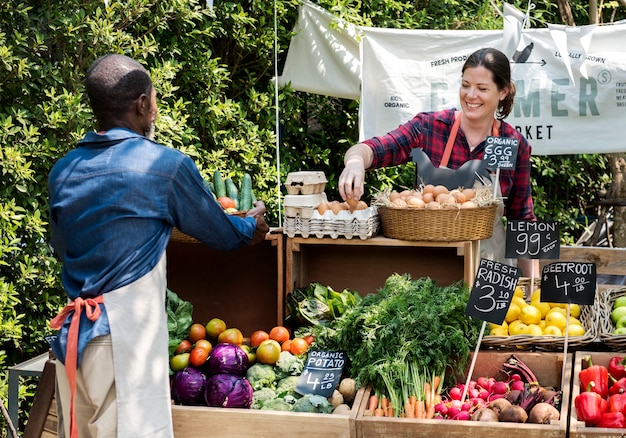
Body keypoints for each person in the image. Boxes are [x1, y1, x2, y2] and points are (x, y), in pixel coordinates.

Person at [47, 53, 270, 438]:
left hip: (74, 345)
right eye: (154, 101)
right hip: (123, 348)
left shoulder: (63, 170)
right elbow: (222, 233)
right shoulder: (163, 167)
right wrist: (252, 224)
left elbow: (62, 249)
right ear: (142, 103)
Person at [338, 47, 538, 278]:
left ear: (502, 92)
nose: (471, 95)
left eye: (482, 88)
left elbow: (523, 220)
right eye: (465, 85)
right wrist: (354, 161)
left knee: (486, 316)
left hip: (490, 274)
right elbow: (376, 148)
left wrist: (534, 287)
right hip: (428, 273)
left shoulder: (513, 143)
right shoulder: (430, 127)